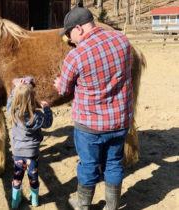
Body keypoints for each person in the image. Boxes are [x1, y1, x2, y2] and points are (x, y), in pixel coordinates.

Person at [54, 7, 133, 210]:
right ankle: (112, 206)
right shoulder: (122, 40)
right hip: (120, 119)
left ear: (79, 28)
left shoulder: (76, 55)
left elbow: (63, 90)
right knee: (114, 162)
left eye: (69, 34)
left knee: (88, 165)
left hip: (90, 125)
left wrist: (58, 83)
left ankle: (83, 205)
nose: (70, 39)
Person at [7, 77, 53, 208]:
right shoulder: (36, 116)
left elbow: (10, 102)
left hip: (17, 151)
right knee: (33, 175)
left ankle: (15, 201)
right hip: (32, 152)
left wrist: (15, 89)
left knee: (17, 175)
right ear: (32, 99)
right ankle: (35, 200)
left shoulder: (12, 112)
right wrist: (47, 109)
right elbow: (48, 123)